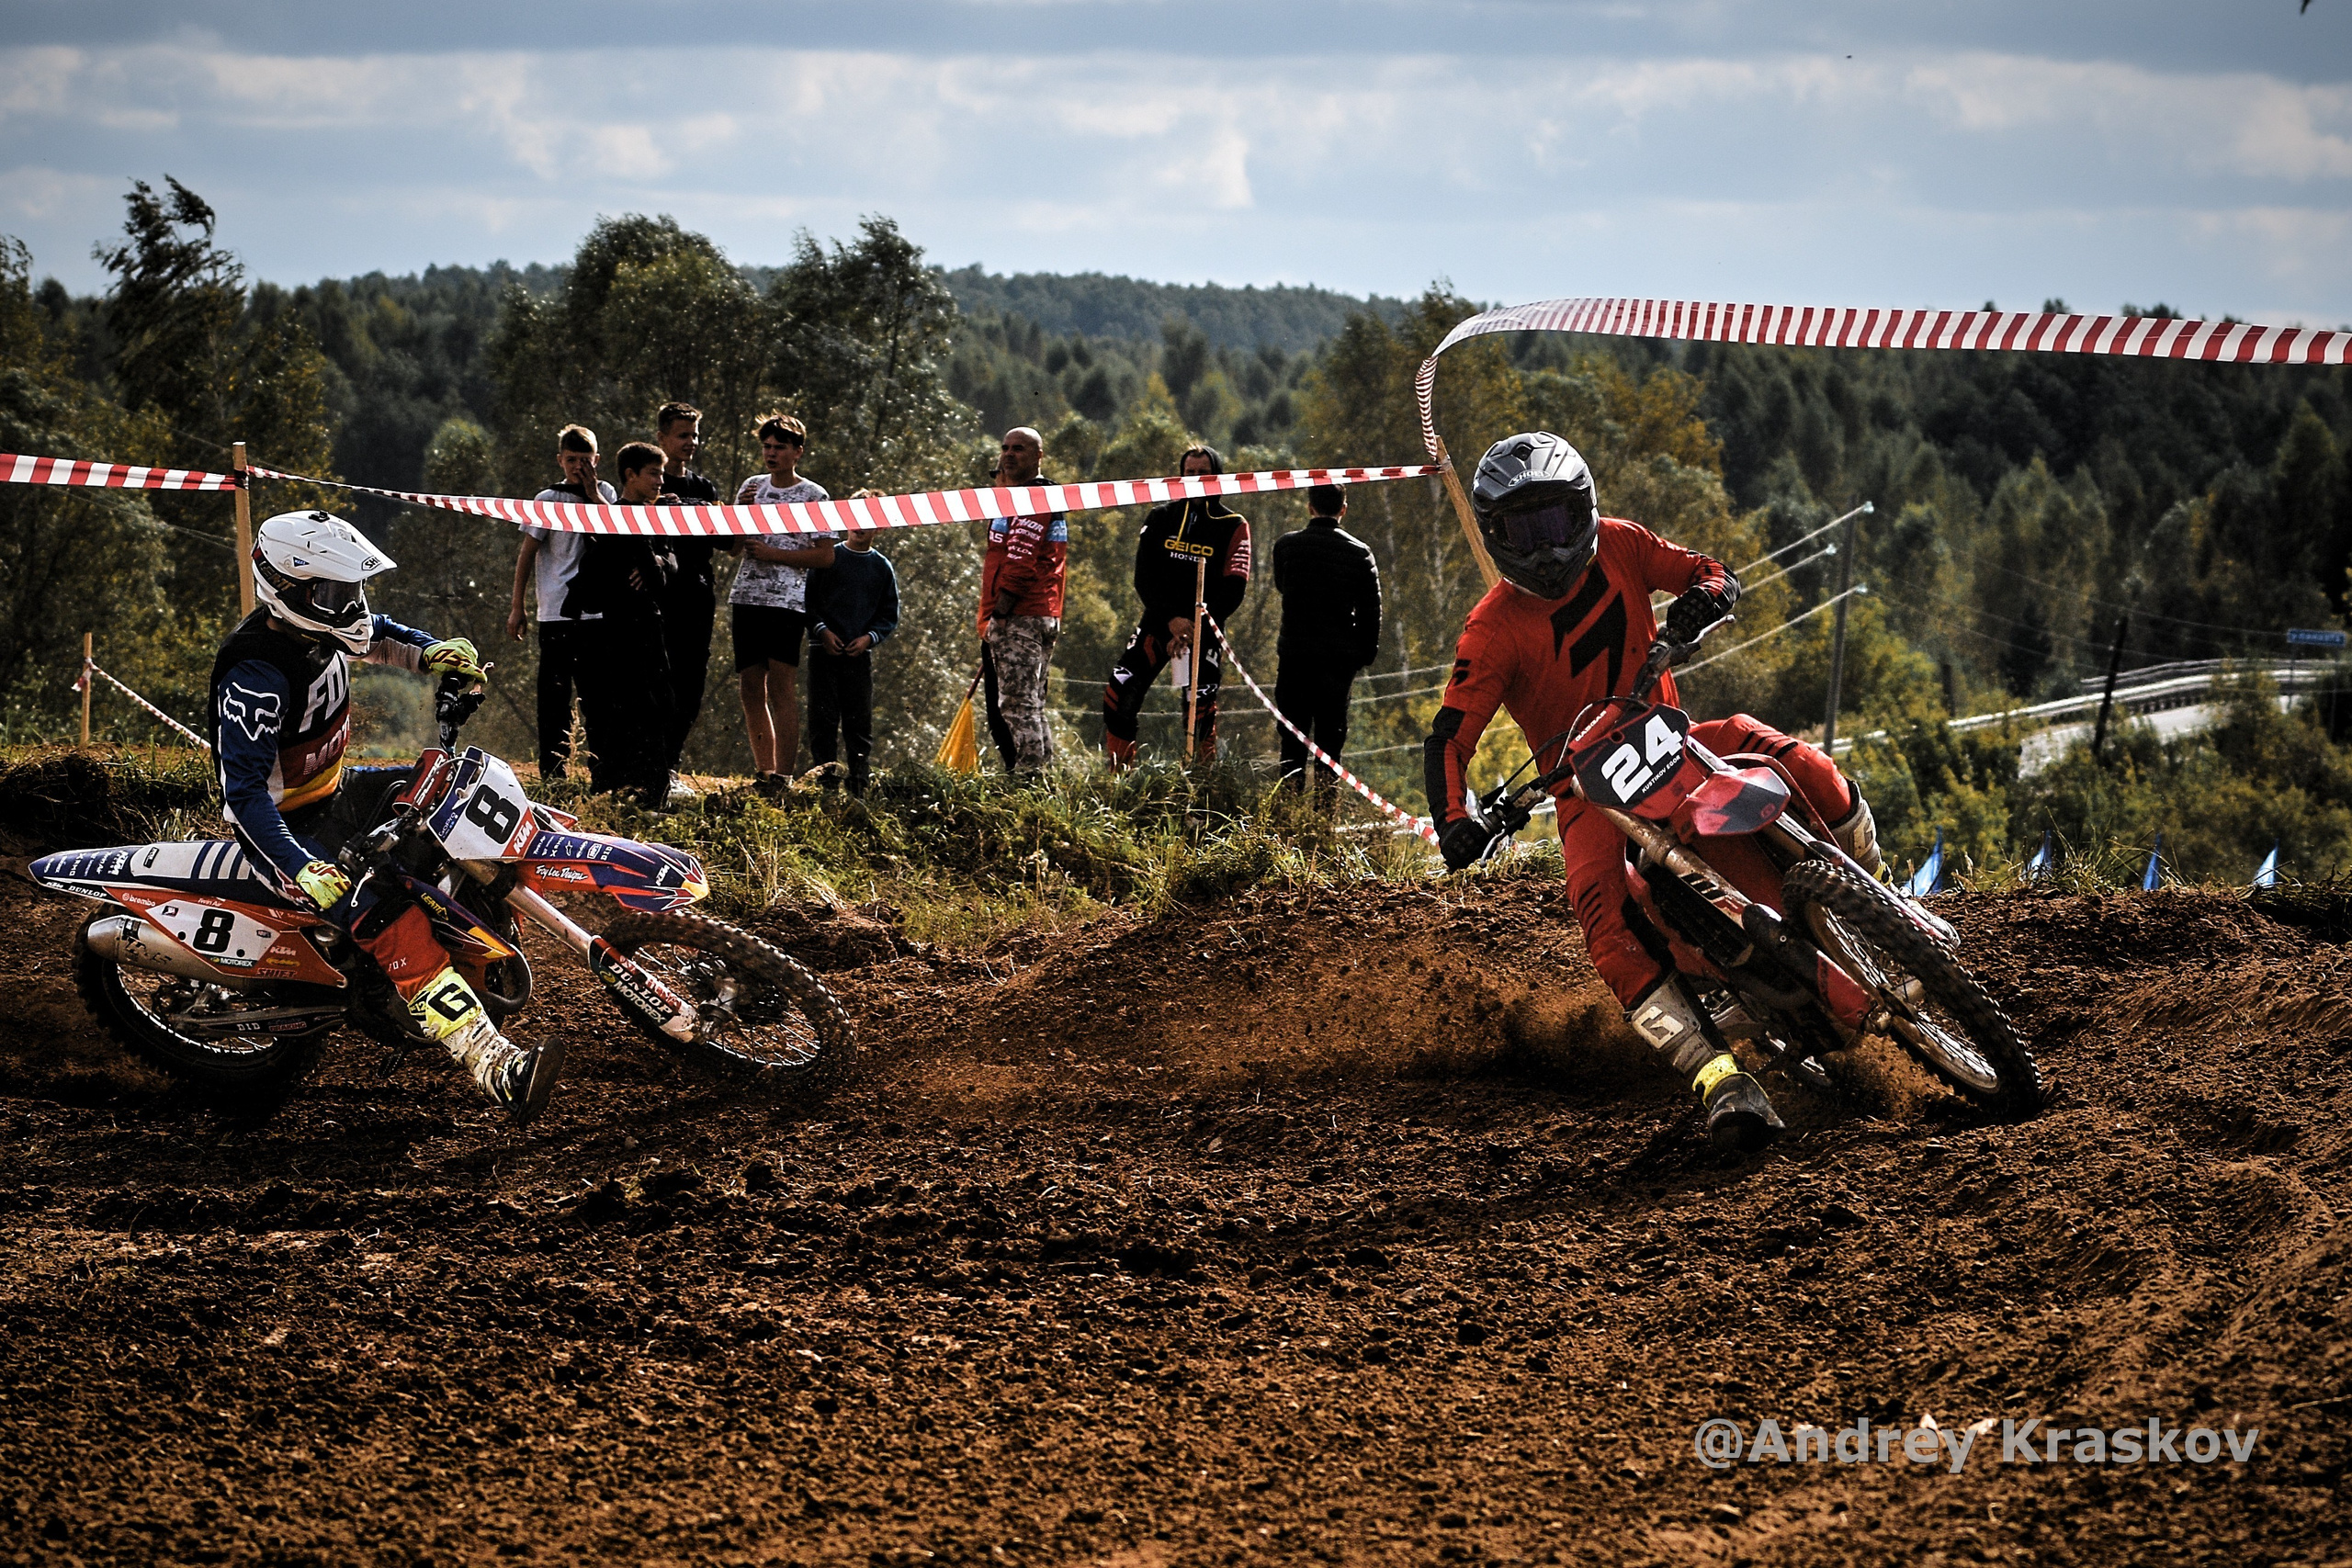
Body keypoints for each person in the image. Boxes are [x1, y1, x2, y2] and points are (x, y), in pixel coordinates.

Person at [1423, 431, 1883, 1153]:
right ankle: (1720, 1078)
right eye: (1521, 530)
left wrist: (1703, 601)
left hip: (1675, 734)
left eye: (1555, 522)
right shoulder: (1491, 630)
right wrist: (1454, 820)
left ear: (1584, 510)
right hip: (1584, 793)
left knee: (1797, 761)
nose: (1544, 548)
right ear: (1494, 535)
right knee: (1604, 925)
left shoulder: (1623, 544)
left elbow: (1710, 570)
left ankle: (1876, 899)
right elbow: (1448, 738)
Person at [214, 510, 563, 1124]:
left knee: (454, 793)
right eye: (335, 592)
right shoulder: (255, 675)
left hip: (336, 792)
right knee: (387, 913)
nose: (351, 604)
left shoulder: (318, 623)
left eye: (353, 588)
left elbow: (374, 632)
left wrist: (431, 653)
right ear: (286, 587)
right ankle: (493, 1063)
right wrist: (303, 865)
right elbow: (243, 797)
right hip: (283, 832)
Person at [1102, 445, 1251, 766]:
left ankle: (1200, 788)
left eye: (1204, 473)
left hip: (1205, 629)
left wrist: (1192, 626)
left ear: (1218, 477)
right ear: (1180, 476)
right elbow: (1143, 578)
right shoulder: (1160, 517)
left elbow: (1235, 589)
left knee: (1199, 714)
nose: (1197, 479)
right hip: (1158, 622)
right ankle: (1120, 780)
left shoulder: (1234, 524)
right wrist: (1171, 620)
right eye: (1190, 473)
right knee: (1118, 693)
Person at [562, 441, 677, 803]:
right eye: (654, 473)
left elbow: (671, 562)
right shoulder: (614, 518)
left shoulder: (653, 516)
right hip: (616, 628)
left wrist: (655, 564)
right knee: (621, 706)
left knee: (659, 704)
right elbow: (600, 564)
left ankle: (652, 784)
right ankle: (620, 783)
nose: (661, 481)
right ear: (631, 475)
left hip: (649, 623)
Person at [730, 413, 836, 793]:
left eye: (779, 447)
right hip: (745, 596)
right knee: (749, 688)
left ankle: (783, 777)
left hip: (785, 603)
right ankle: (763, 772)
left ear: (797, 452)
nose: (771, 453)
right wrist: (738, 515)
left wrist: (775, 554)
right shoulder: (751, 486)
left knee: (781, 688)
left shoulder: (814, 495)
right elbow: (732, 549)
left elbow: (825, 556)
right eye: (767, 446)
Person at [505, 423, 612, 782]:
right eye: (571, 460)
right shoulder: (547, 499)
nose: (579, 467)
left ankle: (601, 770)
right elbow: (527, 553)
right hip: (555, 609)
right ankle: (553, 772)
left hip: (597, 610)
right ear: (560, 461)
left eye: (586, 460)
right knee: (554, 694)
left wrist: (593, 492)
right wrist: (517, 606)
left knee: (597, 693)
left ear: (597, 460)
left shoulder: (606, 493)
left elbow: (611, 534)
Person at [1272, 483, 1382, 794]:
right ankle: (1323, 814)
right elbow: (1371, 612)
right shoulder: (1360, 554)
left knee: (1292, 740)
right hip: (1337, 664)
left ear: (1310, 507)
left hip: (1294, 657)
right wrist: (1362, 656)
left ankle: (1287, 812)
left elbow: (1283, 585)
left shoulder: (1286, 547)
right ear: (1343, 509)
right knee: (1330, 745)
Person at [977, 425, 1067, 776]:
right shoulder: (1016, 498)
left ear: (1039, 456)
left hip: (1022, 613)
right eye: (1005, 447)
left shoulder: (1034, 497)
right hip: (1034, 612)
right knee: (1030, 704)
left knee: (1016, 705)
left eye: (1019, 449)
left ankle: (1029, 780)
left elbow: (1021, 559)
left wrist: (1000, 613)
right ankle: (1039, 778)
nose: (1009, 454)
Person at [804, 510, 900, 796]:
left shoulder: (881, 567)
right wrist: (822, 630)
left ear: (880, 529)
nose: (861, 526)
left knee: (858, 721)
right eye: (856, 518)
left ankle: (859, 783)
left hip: (858, 655)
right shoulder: (827, 558)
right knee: (823, 719)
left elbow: (889, 614)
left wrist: (869, 638)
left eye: (870, 522)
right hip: (823, 651)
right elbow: (808, 601)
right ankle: (826, 782)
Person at [653, 401, 721, 789]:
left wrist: (734, 512)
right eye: (683, 435)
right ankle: (649, 764)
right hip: (660, 596)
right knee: (659, 680)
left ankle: (671, 765)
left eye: (695, 435)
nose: (691, 442)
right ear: (661, 437)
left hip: (698, 595)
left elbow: (728, 542)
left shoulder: (704, 488)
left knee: (691, 684)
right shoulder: (651, 483)